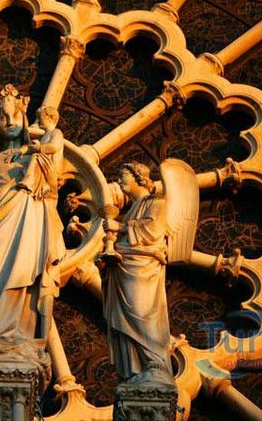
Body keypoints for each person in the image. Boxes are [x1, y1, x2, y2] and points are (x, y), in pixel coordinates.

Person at [0, 85, 66, 341]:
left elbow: (51, 185)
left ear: (24, 120)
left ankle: (21, 332)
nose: (10, 122)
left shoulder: (34, 154)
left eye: (15, 116)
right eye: (3, 118)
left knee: (26, 275)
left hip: (30, 221)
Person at [103, 162, 174, 387]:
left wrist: (120, 228)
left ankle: (155, 364)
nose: (119, 180)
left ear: (139, 177)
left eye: (123, 175)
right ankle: (136, 369)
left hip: (143, 270)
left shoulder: (157, 202)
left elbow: (153, 230)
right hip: (125, 268)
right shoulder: (133, 209)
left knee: (142, 314)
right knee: (128, 318)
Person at [14, 106, 64, 201]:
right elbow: (33, 148)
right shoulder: (44, 136)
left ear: (50, 118)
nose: (37, 121)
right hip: (43, 163)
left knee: (35, 156)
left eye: (40, 118)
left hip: (50, 166)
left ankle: (28, 181)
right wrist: (21, 152)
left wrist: (39, 147)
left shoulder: (56, 132)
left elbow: (54, 147)